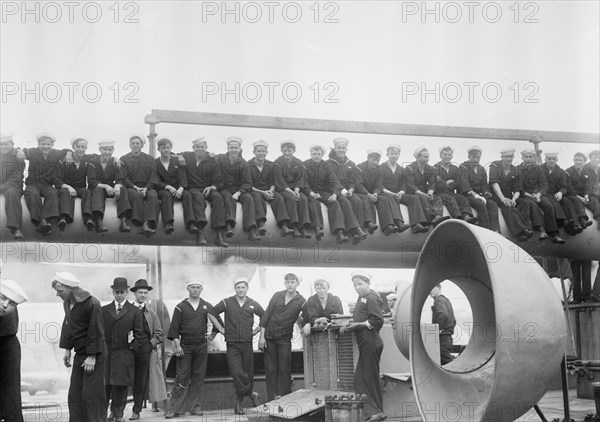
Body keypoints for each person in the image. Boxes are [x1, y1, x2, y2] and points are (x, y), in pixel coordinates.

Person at [165, 279, 224, 419]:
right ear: (188, 289)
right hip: (185, 346)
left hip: (201, 346)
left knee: (198, 377)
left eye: (198, 287)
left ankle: (195, 407)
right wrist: (177, 345)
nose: (195, 290)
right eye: (193, 287)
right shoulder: (181, 307)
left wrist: (213, 334)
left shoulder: (206, 306)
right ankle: (175, 409)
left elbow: (219, 322)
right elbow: (174, 329)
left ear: (201, 289)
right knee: (182, 377)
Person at [53, 271, 107, 422]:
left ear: (71, 288)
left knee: (92, 396)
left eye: (60, 291)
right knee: (75, 395)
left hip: (95, 354)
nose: (57, 294)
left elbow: (96, 329)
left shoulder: (91, 303)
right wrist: (67, 349)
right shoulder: (67, 303)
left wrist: (92, 356)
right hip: (80, 353)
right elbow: (68, 325)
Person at [212, 277, 265, 414]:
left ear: (247, 288)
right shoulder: (227, 302)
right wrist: (221, 329)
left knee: (248, 372)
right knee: (236, 372)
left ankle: (239, 403)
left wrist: (256, 331)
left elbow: (265, 317)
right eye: (238, 287)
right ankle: (252, 394)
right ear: (234, 288)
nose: (241, 290)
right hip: (232, 343)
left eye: (243, 287)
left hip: (247, 343)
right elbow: (211, 312)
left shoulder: (252, 303)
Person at [340, 271, 386, 422]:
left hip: (371, 341)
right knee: (359, 380)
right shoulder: (362, 297)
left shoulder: (372, 297)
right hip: (365, 343)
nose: (357, 287)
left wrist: (356, 325)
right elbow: (360, 315)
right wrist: (349, 322)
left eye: (360, 284)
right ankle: (374, 412)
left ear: (368, 283)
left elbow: (377, 321)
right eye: (355, 284)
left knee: (369, 378)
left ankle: (377, 412)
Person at [102, 277, 144, 422]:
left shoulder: (134, 311)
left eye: (122, 292)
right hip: (107, 355)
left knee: (121, 387)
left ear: (127, 292)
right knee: (106, 386)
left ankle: (118, 414)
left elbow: (139, 334)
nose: (119, 295)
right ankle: (106, 413)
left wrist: (132, 349)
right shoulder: (104, 310)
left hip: (125, 354)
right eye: (117, 292)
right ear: (113, 292)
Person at [259, 272, 306, 400]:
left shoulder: (301, 300)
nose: (290, 284)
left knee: (284, 368)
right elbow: (266, 316)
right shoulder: (277, 296)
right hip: (269, 337)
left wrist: (305, 325)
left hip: (285, 339)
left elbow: (305, 317)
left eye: (293, 282)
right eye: (288, 281)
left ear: (297, 283)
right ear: (284, 283)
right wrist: (261, 337)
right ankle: (271, 398)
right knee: (271, 369)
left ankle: (284, 397)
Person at [177, 137, 228, 246]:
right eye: (197, 147)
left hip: (208, 188)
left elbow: (219, 181)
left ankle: (219, 236)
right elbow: (169, 154)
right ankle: (199, 233)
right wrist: (179, 156)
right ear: (193, 148)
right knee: (198, 198)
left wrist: (212, 187)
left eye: (202, 147)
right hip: (193, 188)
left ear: (206, 148)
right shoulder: (187, 156)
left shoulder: (212, 160)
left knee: (218, 198)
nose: (200, 149)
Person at [19, 132, 70, 235]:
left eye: (48, 144)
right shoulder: (33, 152)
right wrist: (18, 150)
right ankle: (40, 222)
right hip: (33, 184)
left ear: (52, 145)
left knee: (52, 193)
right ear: (38, 144)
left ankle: (47, 220)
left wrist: (69, 154)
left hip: (47, 185)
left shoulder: (55, 153)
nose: (45, 147)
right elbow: (19, 150)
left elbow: (67, 150)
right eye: (43, 144)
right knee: (33, 195)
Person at [129, 279, 167, 420]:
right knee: (122, 380)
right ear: (134, 293)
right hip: (128, 350)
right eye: (140, 292)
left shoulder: (151, 313)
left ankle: (136, 410)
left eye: (145, 293)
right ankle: (117, 410)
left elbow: (159, 334)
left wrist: (150, 344)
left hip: (145, 351)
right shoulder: (127, 310)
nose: (143, 295)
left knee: (140, 381)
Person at [303, 144, 351, 244]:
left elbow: (335, 182)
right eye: (314, 154)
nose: (316, 156)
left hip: (323, 192)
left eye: (319, 154)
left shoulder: (327, 166)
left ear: (322, 155)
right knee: (314, 203)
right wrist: (312, 194)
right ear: (310, 154)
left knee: (334, 203)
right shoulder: (304, 165)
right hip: (309, 192)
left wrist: (335, 194)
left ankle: (339, 232)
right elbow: (304, 183)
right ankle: (317, 228)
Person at [247, 140, 295, 237]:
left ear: (267, 152)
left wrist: (270, 191)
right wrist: (262, 192)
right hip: (255, 191)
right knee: (257, 198)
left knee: (278, 198)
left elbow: (273, 182)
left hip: (268, 190)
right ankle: (260, 225)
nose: (261, 153)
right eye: (259, 151)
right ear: (254, 152)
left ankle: (284, 226)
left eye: (263, 151)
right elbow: (248, 184)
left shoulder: (271, 165)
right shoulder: (248, 165)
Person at [356, 149, 410, 235]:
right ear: (368, 158)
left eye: (377, 160)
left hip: (374, 193)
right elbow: (358, 185)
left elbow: (379, 184)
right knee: (366, 199)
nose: (375, 162)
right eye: (373, 159)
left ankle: (390, 225)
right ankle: (370, 223)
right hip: (362, 193)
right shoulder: (360, 167)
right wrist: (369, 195)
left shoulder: (379, 169)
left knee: (384, 199)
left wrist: (375, 193)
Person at [327, 138, 372, 240]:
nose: (341, 150)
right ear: (335, 149)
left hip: (348, 191)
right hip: (335, 190)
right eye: (339, 148)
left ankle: (358, 231)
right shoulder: (328, 164)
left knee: (357, 200)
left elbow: (353, 180)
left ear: (346, 149)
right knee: (345, 202)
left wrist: (351, 189)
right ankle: (354, 229)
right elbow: (331, 181)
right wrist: (342, 191)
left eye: (343, 148)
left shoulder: (351, 163)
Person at [217, 136, 261, 241]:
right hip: (225, 189)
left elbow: (248, 183)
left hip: (239, 190)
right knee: (228, 198)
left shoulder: (244, 164)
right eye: (231, 148)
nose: (233, 150)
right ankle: (229, 226)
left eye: (236, 148)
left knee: (249, 199)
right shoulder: (220, 159)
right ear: (227, 148)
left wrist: (239, 192)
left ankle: (251, 229)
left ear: (240, 149)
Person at [380, 144, 429, 234]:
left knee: (414, 198)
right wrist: (392, 193)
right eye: (391, 153)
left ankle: (416, 224)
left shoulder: (401, 169)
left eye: (396, 153)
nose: (394, 156)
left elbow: (404, 184)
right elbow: (380, 185)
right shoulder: (381, 167)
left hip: (398, 194)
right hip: (386, 193)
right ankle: (399, 223)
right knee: (390, 197)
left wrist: (401, 192)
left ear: (399, 155)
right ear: (387, 155)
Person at [518, 149, 565, 244]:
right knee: (532, 205)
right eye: (526, 157)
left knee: (548, 206)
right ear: (522, 158)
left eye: (530, 157)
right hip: (526, 194)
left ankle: (554, 234)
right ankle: (541, 230)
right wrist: (530, 196)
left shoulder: (538, 169)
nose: (528, 159)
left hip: (539, 193)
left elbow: (544, 184)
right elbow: (519, 187)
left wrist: (539, 194)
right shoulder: (517, 169)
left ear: (534, 158)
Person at [275, 139, 318, 239]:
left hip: (296, 189)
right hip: (283, 189)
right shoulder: (277, 163)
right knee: (291, 199)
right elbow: (279, 181)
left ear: (293, 151)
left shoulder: (298, 162)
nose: (287, 153)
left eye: (289, 150)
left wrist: (297, 190)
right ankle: (294, 226)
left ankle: (303, 228)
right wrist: (291, 192)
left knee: (303, 199)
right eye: (284, 150)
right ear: (281, 151)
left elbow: (301, 178)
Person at [488, 148, 533, 242]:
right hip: (495, 195)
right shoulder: (494, 165)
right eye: (506, 157)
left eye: (511, 156)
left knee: (524, 203)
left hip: (509, 195)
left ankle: (526, 229)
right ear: (502, 157)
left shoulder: (515, 170)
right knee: (507, 207)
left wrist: (514, 199)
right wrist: (503, 199)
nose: (509, 159)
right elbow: (494, 183)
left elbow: (518, 189)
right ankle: (522, 232)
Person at [119, 134, 160, 237]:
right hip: (132, 187)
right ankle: (138, 222)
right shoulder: (124, 159)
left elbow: (154, 176)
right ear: (129, 145)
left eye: (138, 143)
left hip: (147, 187)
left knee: (153, 195)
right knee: (135, 196)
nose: (135, 145)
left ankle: (147, 224)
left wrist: (147, 188)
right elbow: (123, 177)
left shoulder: (150, 159)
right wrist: (134, 187)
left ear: (142, 145)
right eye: (133, 143)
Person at [87, 140, 131, 233]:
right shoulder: (92, 162)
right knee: (97, 189)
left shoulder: (116, 162)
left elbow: (121, 178)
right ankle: (98, 222)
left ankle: (123, 221)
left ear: (113, 150)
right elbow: (92, 181)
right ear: (100, 150)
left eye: (109, 150)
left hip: (111, 189)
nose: (107, 152)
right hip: (98, 189)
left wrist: (118, 186)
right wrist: (106, 186)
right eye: (104, 149)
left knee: (123, 189)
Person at [0, 278, 28, 422]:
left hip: (7, 340)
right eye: (2, 299)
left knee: (11, 392)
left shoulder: (8, 287)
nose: (5, 305)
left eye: (11, 304)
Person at [154, 136, 193, 235]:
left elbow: (182, 176)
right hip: (163, 189)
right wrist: (168, 187)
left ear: (171, 148)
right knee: (166, 196)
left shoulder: (177, 161)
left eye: (168, 147)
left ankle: (191, 223)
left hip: (178, 188)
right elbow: (155, 180)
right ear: (159, 149)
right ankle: (168, 223)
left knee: (187, 195)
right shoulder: (155, 163)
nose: (166, 150)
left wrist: (180, 188)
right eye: (163, 148)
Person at [405, 146, 450, 227]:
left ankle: (437, 216)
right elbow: (410, 185)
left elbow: (432, 184)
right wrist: (423, 194)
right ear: (418, 157)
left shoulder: (430, 168)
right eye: (425, 157)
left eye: (428, 157)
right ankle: (429, 219)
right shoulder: (410, 168)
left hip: (424, 191)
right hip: (413, 192)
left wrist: (430, 192)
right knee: (423, 198)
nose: (428, 159)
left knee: (437, 198)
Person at [459, 146, 500, 233]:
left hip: (479, 195)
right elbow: (465, 185)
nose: (476, 159)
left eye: (478, 157)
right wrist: (476, 195)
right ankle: (485, 230)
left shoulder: (481, 169)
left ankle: (496, 230)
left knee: (493, 204)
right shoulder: (463, 167)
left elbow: (484, 184)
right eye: (474, 157)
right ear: (469, 156)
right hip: (468, 194)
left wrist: (486, 192)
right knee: (480, 205)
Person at [541, 151, 584, 235]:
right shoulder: (539, 169)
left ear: (557, 160)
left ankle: (576, 224)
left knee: (566, 201)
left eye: (553, 159)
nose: (551, 161)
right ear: (545, 159)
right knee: (554, 202)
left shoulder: (560, 171)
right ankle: (564, 222)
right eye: (549, 159)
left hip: (555, 193)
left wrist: (560, 192)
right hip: (543, 193)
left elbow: (564, 186)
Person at [57, 136, 94, 231]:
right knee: (64, 193)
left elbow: (101, 156)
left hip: (80, 188)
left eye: (83, 147)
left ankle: (88, 218)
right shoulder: (64, 160)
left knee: (87, 192)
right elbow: (57, 179)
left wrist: (114, 158)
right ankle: (63, 218)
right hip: (65, 187)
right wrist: (68, 187)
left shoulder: (87, 159)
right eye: (78, 147)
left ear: (86, 148)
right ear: (73, 147)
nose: (80, 149)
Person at [434, 146, 478, 223]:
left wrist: (445, 182)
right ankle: (458, 218)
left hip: (450, 192)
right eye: (445, 154)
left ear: (452, 156)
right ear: (440, 156)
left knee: (463, 198)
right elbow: (437, 184)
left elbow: (457, 183)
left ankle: (466, 216)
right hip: (439, 193)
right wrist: (447, 183)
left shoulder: (455, 168)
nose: (447, 156)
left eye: (449, 155)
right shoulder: (435, 168)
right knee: (451, 199)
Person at [0, 132, 25, 239]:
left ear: (12, 144)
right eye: (1, 144)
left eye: (6, 144)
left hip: (13, 186)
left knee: (11, 193)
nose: (3, 146)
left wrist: (2, 187)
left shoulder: (18, 157)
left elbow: (17, 177)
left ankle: (16, 228)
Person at [566, 152, 600, 229]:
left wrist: (586, 196)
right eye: (576, 160)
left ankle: (599, 219)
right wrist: (580, 197)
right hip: (572, 195)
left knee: (594, 200)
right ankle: (583, 220)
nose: (578, 162)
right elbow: (569, 187)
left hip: (583, 195)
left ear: (584, 161)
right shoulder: (568, 171)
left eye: (580, 160)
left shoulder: (586, 172)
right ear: (573, 160)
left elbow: (588, 186)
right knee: (577, 201)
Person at [429, 284, 456, 366]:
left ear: (439, 288)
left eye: (432, 288)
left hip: (443, 335)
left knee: (444, 358)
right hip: (447, 335)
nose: (430, 291)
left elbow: (443, 314)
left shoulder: (439, 300)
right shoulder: (445, 300)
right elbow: (453, 320)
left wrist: (438, 328)